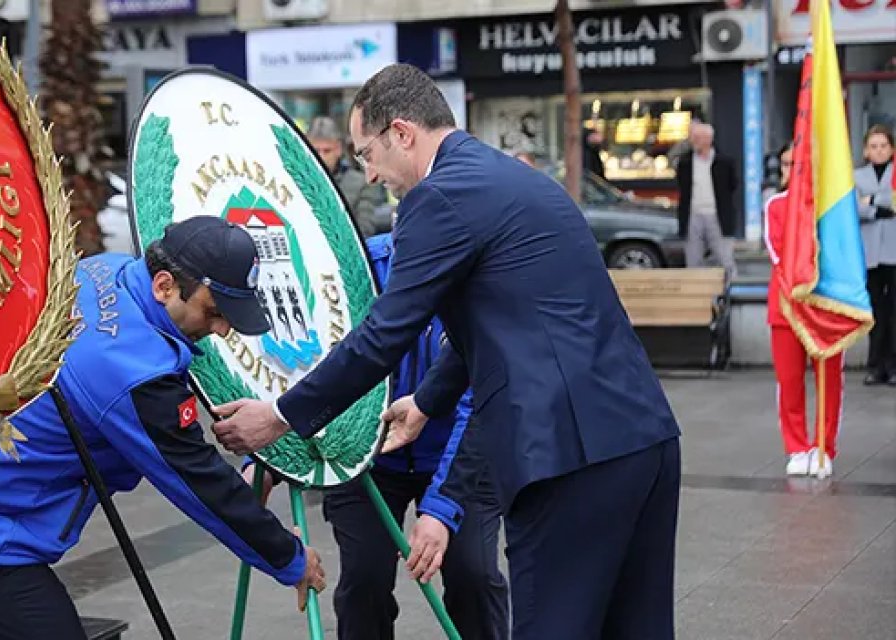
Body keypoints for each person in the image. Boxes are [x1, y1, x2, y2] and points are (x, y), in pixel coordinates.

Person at [212, 63, 681, 640]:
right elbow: (499, 320)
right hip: (643, 437)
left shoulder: (438, 197)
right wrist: (429, 402)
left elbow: (385, 333)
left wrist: (281, 416)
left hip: (568, 453)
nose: (371, 172)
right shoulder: (513, 178)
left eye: (367, 154)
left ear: (402, 132)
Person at [0, 217, 326, 639]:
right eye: (213, 312)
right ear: (165, 285)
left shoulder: (107, 270)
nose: (223, 329)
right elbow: (199, 482)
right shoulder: (133, 376)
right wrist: (288, 558)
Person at [246, 231, 508, 640]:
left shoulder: (479, 277)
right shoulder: (354, 270)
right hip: (364, 453)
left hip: (457, 452)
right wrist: (265, 461)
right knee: (363, 581)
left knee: (473, 574)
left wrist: (440, 509)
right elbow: (305, 362)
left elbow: (475, 400)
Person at [765, 142, 844, 477]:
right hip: (786, 308)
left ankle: (824, 447)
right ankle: (797, 447)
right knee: (790, 381)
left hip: (826, 309)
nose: (790, 170)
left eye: (798, 164)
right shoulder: (775, 205)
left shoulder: (830, 207)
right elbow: (779, 253)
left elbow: (838, 255)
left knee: (829, 383)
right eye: (785, 164)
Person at [854, 124, 896, 387]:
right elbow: (852, 207)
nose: (879, 151)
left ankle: (893, 366)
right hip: (869, 253)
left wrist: (871, 201)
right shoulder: (855, 175)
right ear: (866, 151)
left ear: (891, 149)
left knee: (894, 311)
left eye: (883, 146)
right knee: (874, 313)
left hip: (893, 251)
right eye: (874, 146)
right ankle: (875, 365)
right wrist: (879, 207)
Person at [676, 122, 739, 279]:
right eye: (692, 137)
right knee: (693, 259)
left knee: (724, 258)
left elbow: (733, 185)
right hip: (693, 215)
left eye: (697, 137)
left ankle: (733, 292)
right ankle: (695, 295)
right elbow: (682, 187)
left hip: (716, 214)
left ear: (708, 139)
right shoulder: (685, 162)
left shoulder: (724, 162)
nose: (693, 141)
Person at [308, 116, 387, 237]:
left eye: (327, 150)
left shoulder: (362, 183)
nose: (320, 157)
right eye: (315, 150)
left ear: (338, 149)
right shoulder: (295, 180)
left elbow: (364, 230)